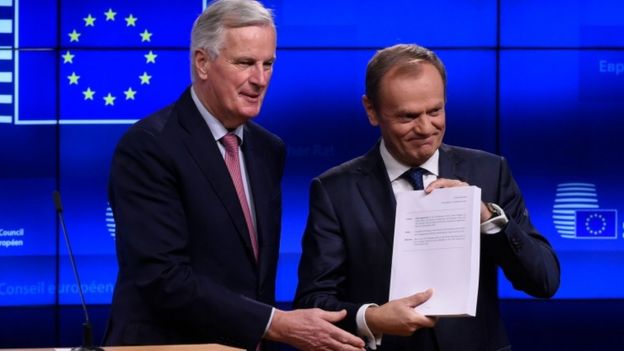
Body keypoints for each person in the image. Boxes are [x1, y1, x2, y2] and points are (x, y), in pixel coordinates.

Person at [103, 1, 365, 350]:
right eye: (244, 63)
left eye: (267, 64)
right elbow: (163, 279)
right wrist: (275, 324)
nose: (259, 79)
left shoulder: (268, 149)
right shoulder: (149, 147)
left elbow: (254, 277)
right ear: (202, 63)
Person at [294, 44, 560, 351]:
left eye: (435, 111)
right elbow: (314, 301)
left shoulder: (489, 171)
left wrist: (488, 218)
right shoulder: (335, 190)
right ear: (371, 110)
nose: (425, 128)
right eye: (407, 117)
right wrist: (373, 318)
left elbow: (544, 280)